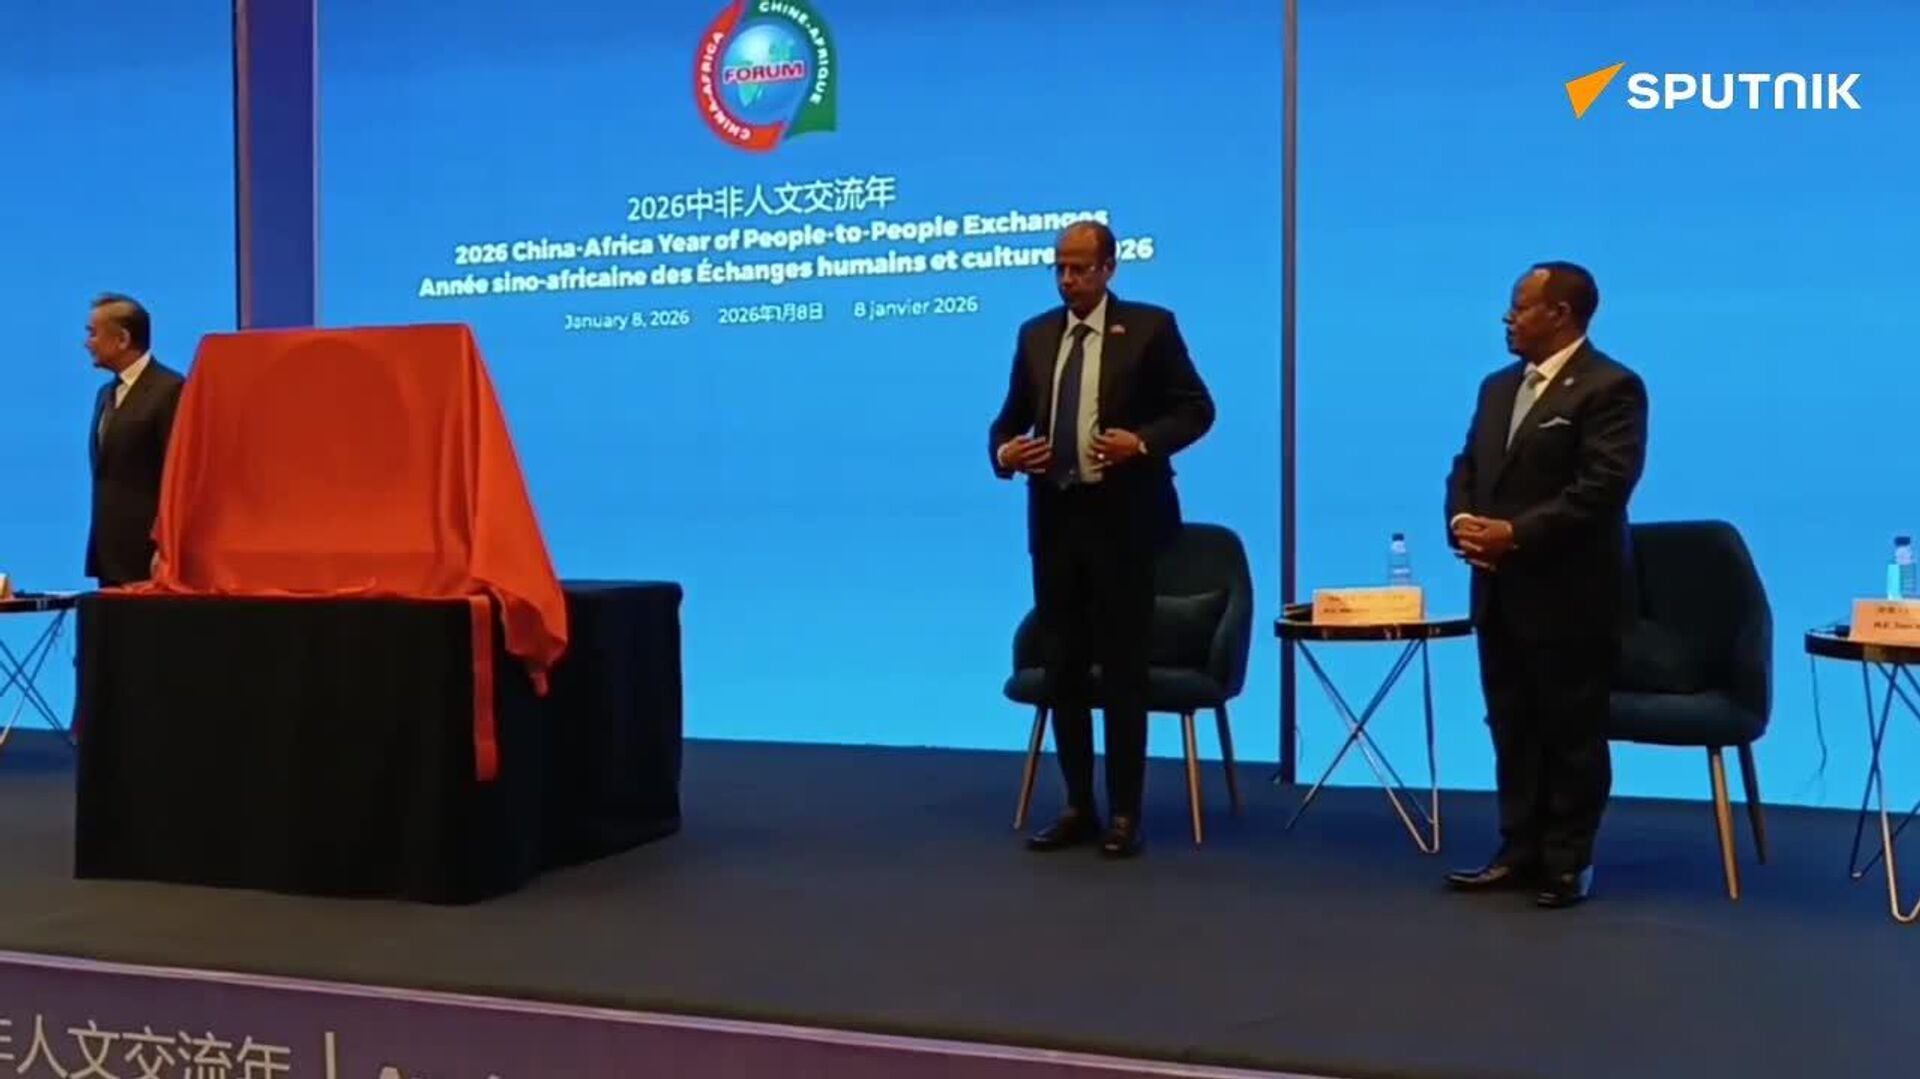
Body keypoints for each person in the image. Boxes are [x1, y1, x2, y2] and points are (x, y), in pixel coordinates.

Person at [987, 221, 1215, 858]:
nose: (1068, 280)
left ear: (1109, 268)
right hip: (1055, 522)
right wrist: (1006, 453)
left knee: (1122, 670)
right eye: (1060, 268)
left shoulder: (1149, 328)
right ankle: (1077, 805)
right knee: (1063, 668)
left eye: (1080, 268)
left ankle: (1125, 813)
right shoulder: (1036, 335)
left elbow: (1197, 408)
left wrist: (1140, 443)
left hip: (1123, 523)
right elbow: (1008, 420)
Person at [1443, 261, 1647, 908]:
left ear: (1560, 314)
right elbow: (1468, 465)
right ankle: (1517, 849)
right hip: (1498, 590)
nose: (1508, 317)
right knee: (1511, 724)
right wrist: (1463, 521)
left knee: (1570, 730)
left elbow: (1602, 487)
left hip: (1571, 593)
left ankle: (1567, 860)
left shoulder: (1611, 387)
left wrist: (1516, 533)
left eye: (1520, 305)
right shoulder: (1497, 387)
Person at [85, 293, 184, 588]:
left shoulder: (169, 390)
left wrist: (165, 546)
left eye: (93, 333)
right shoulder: (105, 394)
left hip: (148, 556)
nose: (87, 343)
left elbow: (176, 475)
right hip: (108, 555)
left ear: (122, 339)